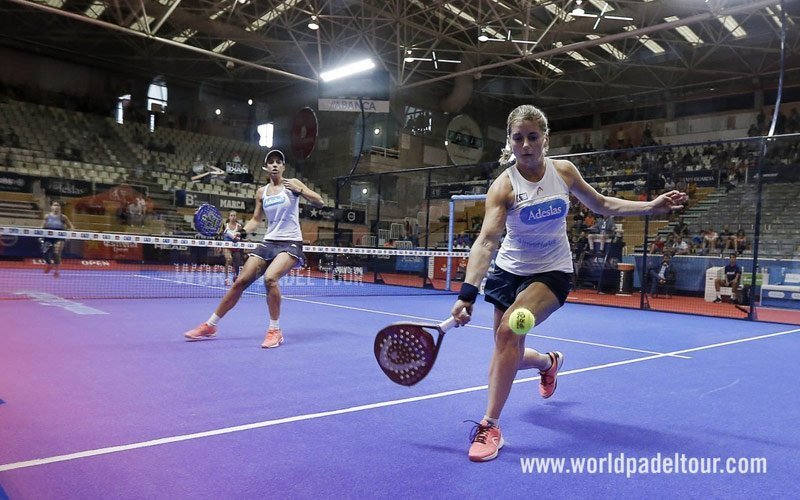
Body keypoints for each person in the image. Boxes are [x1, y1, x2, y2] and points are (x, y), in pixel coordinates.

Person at [450, 104, 688, 462]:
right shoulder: (503, 187)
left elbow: (603, 203)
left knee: (507, 335)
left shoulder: (563, 172)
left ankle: (490, 425)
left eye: (533, 137)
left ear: (545, 139)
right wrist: (467, 294)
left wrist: (650, 207)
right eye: (519, 138)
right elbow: (486, 241)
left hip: (551, 274)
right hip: (507, 273)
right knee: (506, 351)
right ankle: (548, 363)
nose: (526, 145)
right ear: (510, 143)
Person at [183, 149, 325, 348]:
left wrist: (300, 190)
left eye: (278, 162)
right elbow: (256, 220)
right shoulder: (261, 192)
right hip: (269, 242)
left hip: (291, 243)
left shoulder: (292, 185)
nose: (275, 164)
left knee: (270, 278)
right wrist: (241, 232)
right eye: (271, 162)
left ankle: (275, 330)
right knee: (240, 281)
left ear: (283, 167)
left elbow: (320, 201)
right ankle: (210, 325)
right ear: (266, 167)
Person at [40, 200, 74, 278]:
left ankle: (56, 271)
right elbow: (42, 227)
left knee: (57, 252)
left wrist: (69, 235)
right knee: (44, 253)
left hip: (59, 236)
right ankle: (49, 264)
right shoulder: (47, 216)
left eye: (58, 205)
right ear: (51, 207)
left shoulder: (63, 217)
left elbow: (71, 226)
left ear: (60, 207)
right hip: (48, 236)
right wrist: (39, 234)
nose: (56, 207)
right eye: (54, 205)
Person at [222, 210, 245, 286]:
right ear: (229, 217)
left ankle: (236, 276)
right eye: (231, 215)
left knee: (237, 262)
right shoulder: (225, 225)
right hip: (227, 246)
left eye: (234, 215)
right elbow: (221, 235)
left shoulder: (239, 226)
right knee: (229, 259)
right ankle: (226, 278)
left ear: (236, 217)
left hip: (236, 247)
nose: (233, 217)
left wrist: (238, 238)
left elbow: (241, 237)